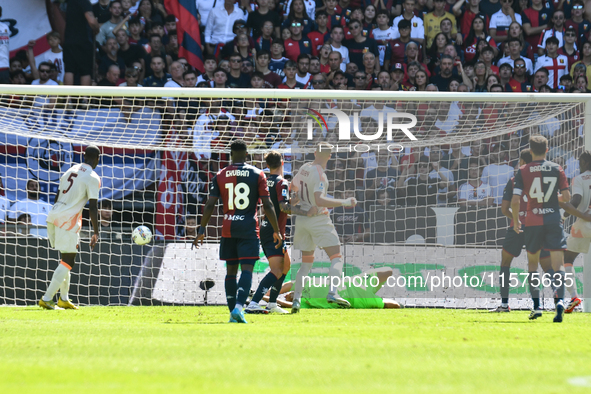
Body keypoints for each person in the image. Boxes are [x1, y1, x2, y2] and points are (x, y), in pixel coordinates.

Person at [193, 140, 282, 324]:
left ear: (230, 154)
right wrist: (276, 230)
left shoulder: (220, 174)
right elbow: (267, 204)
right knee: (247, 269)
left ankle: (232, 311)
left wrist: (201, 230)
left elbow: (210, 204)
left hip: (227, 228)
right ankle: (239, 309)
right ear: (247, 154)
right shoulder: (258, 174)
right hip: (248, 228)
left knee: (231, 272)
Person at [511, 135, 585, 322]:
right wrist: (553, 199)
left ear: (530, 149)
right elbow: (567, 197)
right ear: (547, 149)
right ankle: (559, 302)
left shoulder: (522, 170)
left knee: (533, 265)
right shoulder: (556, 168)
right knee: (558, 265)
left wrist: (515, 220)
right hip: (553, 220)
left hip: (533, 221)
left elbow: (515, 200)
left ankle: (537, 307)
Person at [289, 142, 358, 313]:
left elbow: (293, 190)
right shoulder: (320, 175)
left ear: (314, 153)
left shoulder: (304, 167)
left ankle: (296, 300)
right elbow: (319, 200)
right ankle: (332, 293)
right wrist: (344, 202)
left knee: (306, 264)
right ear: (330, 156)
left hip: (302, 220)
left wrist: (299, 204)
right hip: (318, 219)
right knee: (336, 257)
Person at [245, 152, 317, 315]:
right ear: (282, 163)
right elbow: (284, 207)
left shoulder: (265, 181)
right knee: (277, 270)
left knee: (285, 266)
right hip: (273, 230)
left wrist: (296, 200)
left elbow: (279, 206)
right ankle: (254, 302)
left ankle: (271, 304)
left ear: (268, 165)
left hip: (268, 227)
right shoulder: (282, 182)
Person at [39, 146, 101, 310]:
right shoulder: (93, 177)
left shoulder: (70, 170)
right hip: (68, 220)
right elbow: (92, 207)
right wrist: (96, 231)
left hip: (54, 215)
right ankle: (47, 298)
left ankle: (64, 299)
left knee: (65, 258)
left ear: (84, 156)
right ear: (97, 159)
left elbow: (58, 195)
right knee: (69, 260)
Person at [267, 267, 401, 309]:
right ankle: (373, 296)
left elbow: (287, 285)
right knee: (394, 306)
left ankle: (372, 292)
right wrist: (268, 299)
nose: (285, 295)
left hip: (354, 283)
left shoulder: (305, 283)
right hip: (353, 300)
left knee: (388, 271)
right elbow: (285, 305)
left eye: (287, 295)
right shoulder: (306, 303)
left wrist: (267, 295)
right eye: (287, 297)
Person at [561, 151, 591, 313]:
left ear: (586, 162)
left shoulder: (579, 179)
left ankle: (574, 296)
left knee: (568, 258)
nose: (579, 165)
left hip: (583, 225)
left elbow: (576, 200)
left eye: (580, 162)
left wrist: (564, 216)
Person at [63, 0, 100, 86]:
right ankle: (85, 98)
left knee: (69, 69)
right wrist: (97, 29)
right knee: (85, 71)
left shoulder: (70, 2)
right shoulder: (84, 2)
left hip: (68, 40)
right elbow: (91, 21)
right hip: (83, 41)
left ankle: (68, 98)